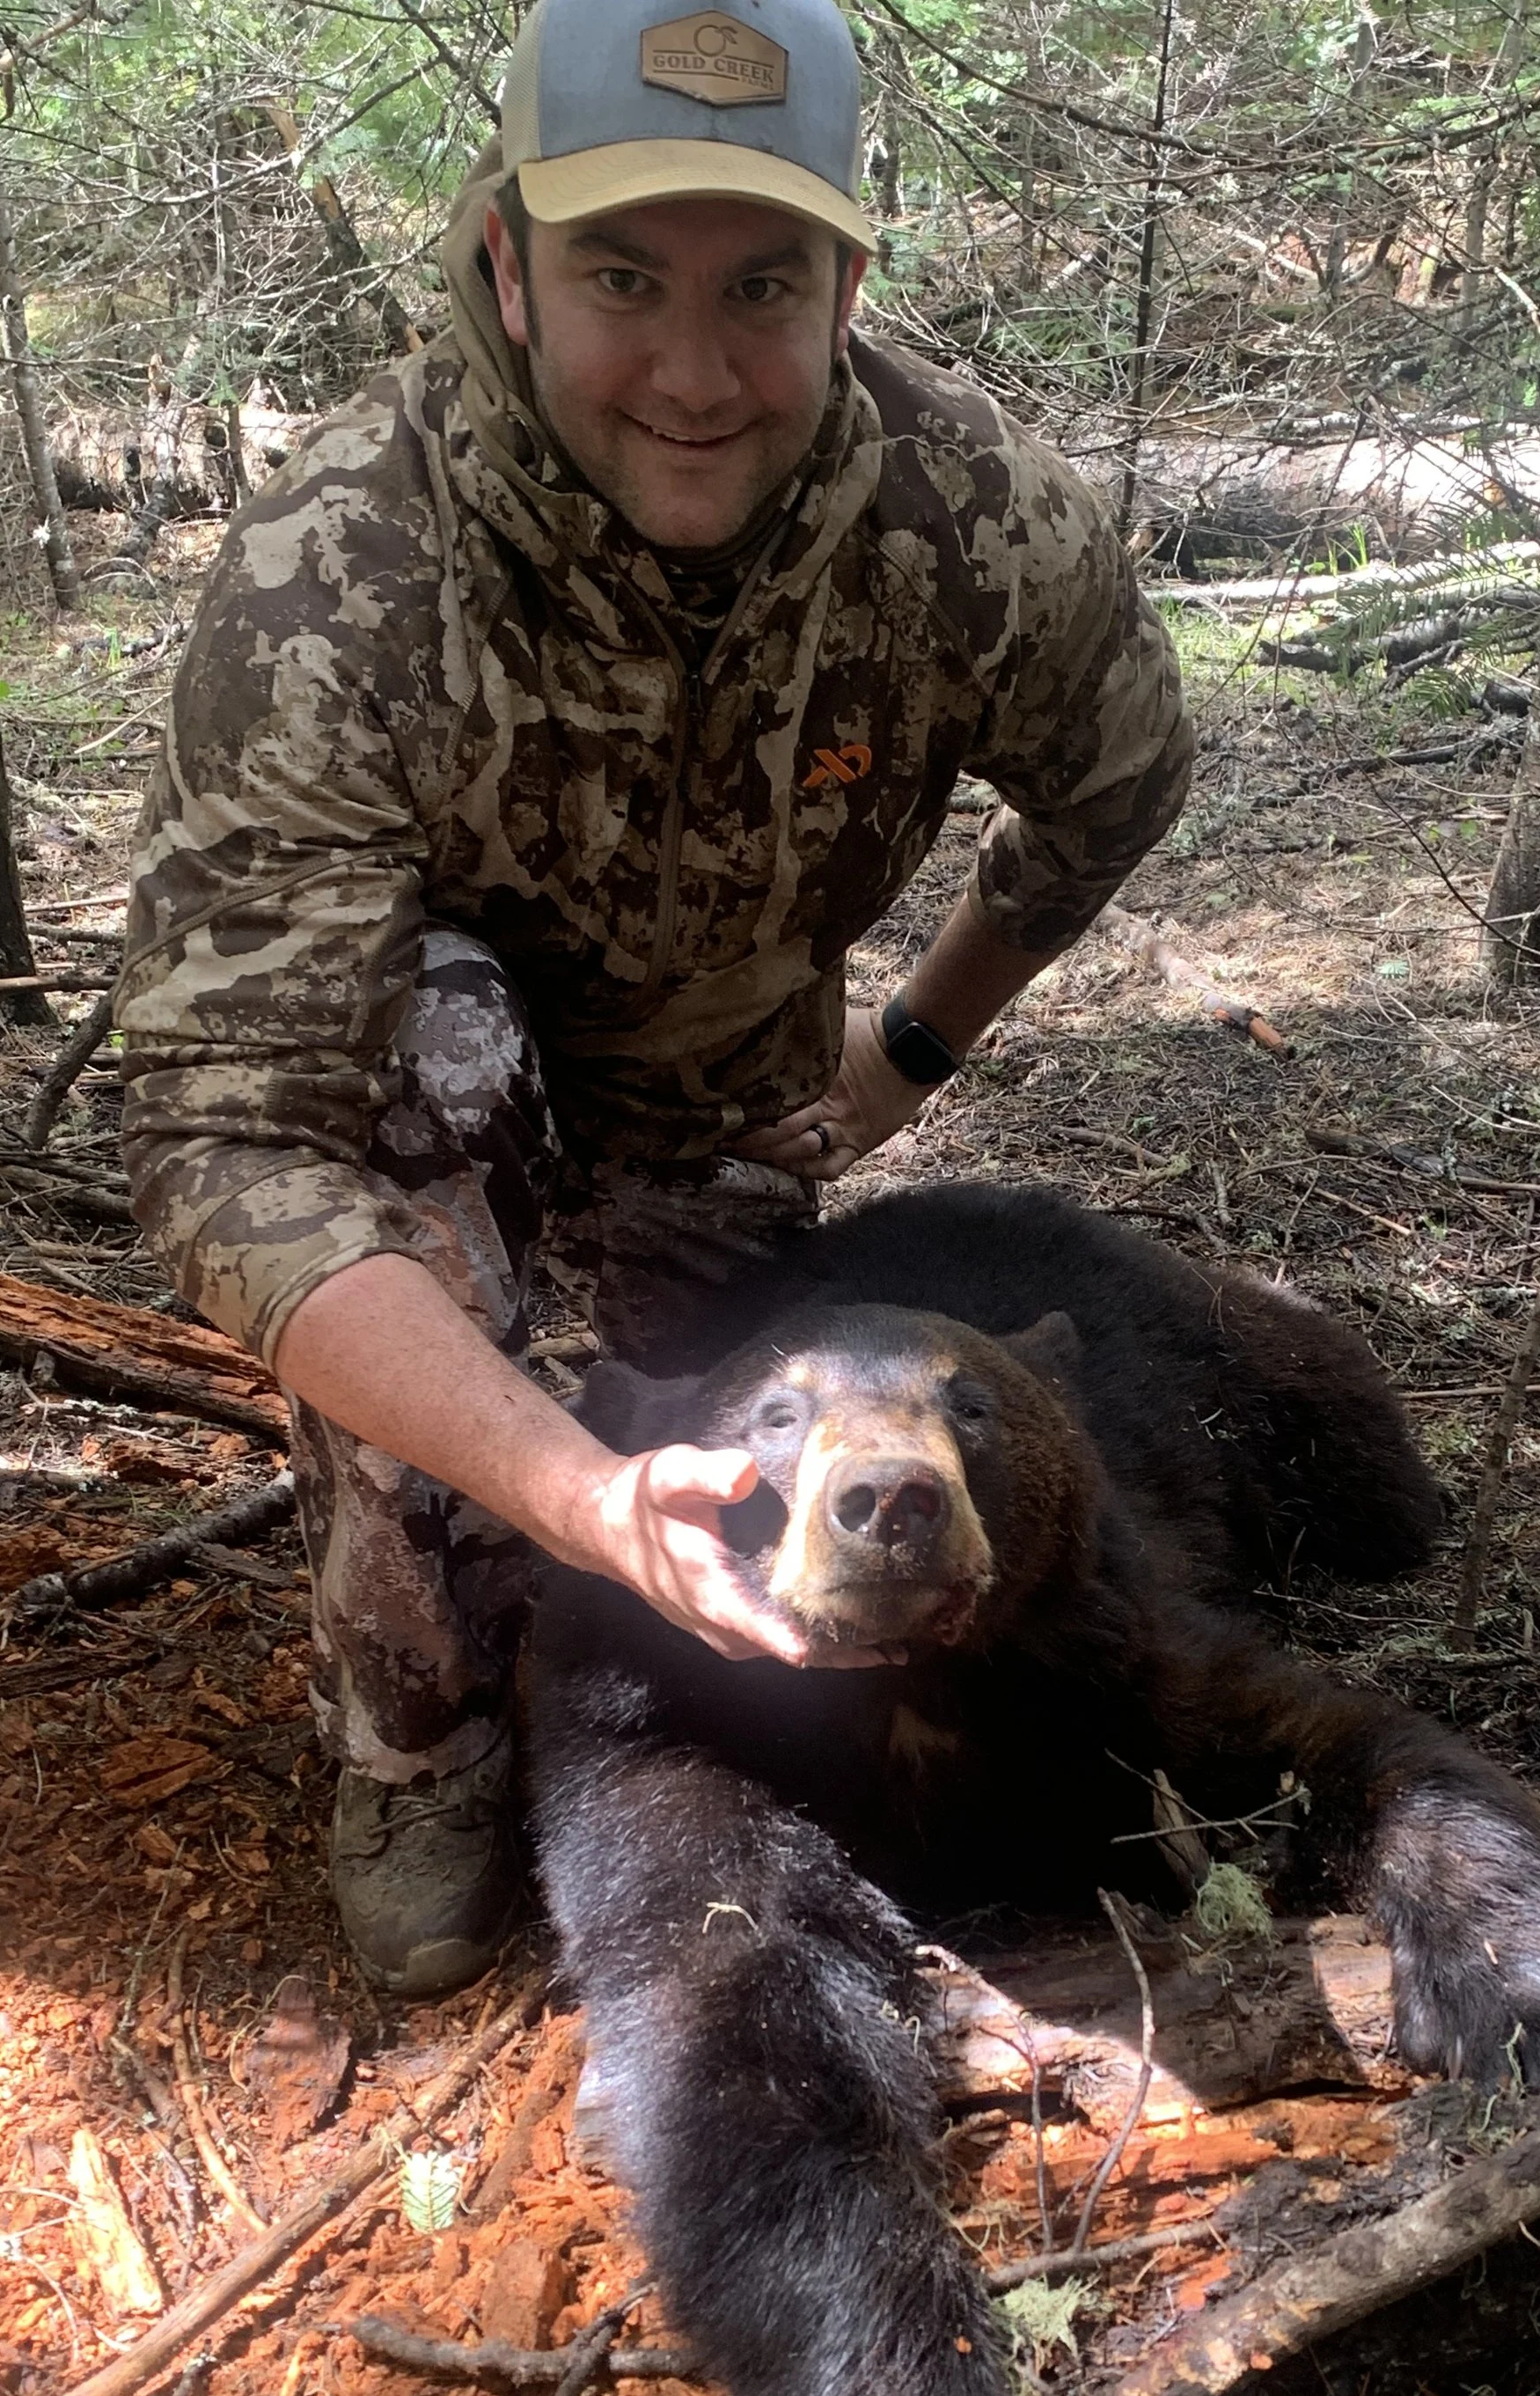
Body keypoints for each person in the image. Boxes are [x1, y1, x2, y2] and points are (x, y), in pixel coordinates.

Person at [117, 0, 1194, 1995]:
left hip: (726, 1120)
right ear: (509, 261)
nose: (694, 374)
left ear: (846, 280)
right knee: (437, 1046)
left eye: (760, 287)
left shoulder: (969, 522)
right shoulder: (339, 575)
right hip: (438, 1120)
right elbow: (222, 1139)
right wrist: (563, 1486)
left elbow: (1120, 783)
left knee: (768, 1481)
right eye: (622, 277)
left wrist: (903, 1057)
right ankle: (421, 1726)